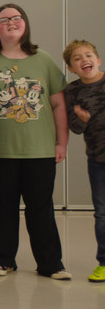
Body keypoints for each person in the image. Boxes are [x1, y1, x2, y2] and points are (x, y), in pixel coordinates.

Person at [0, 4, 70, 280]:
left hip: (39, 150)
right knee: (3, 206)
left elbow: (57, 104)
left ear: (25, 24)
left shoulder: (43, 59)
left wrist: (61, 142)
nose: (11, 22)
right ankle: (2, 260)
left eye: (16, 18)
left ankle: (51, 264)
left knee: (41, 207)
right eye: (3, 19)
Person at [62, 39, 105, 282]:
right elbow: (75, 129)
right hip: (97, 161)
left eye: (88, 55)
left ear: (98, 60)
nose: (84, 60)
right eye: (77, 59)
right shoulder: (72, 91)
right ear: (71, 68)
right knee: (101, 213)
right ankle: (104, 262)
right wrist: (82, 119)